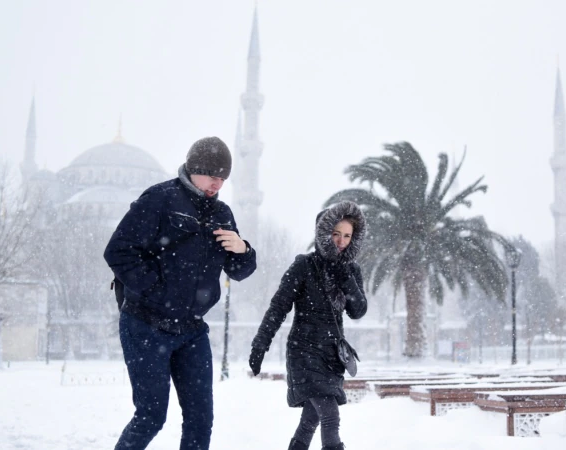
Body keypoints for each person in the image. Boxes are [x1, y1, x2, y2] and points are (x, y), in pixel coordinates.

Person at [104, 136, 257, 450]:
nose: (217, 183)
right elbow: (118, 252)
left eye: (223, 178)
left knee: (201, 419)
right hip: (147, 325)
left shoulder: (222, 214)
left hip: (192, 331)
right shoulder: (159, 199)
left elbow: (240, 271)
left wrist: (243, 250)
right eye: (212, 175)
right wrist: (157, 290)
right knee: (151, 416)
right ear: (192, 169)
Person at [249, 201, 368, 450]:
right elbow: (278, 307)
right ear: (324, 233)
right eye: (336, 234)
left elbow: (358, 311)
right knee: (330, 416)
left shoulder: (351, 269)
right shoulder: (304, 265)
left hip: (332, 355)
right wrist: (260, 344)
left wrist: (346, 278)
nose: (341, 241)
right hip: (305, 351)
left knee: (310, 420)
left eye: (347, 235)